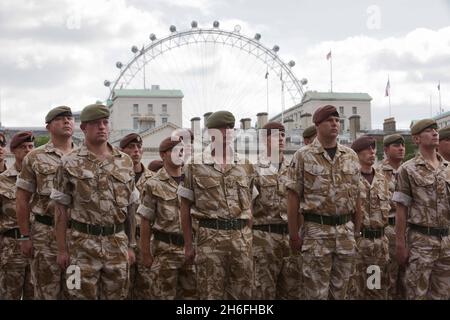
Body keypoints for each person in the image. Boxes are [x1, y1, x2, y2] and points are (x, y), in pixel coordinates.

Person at [51, 104, 138, 300]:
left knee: (118, 296)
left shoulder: (124, 161)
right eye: (96, 123)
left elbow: (131, 208)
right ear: (83, 128)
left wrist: (131, 245)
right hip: (81, 246)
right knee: (77, 295)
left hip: (117, 243)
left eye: (105, 122)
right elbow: (60, 209)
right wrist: (62, 249)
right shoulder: (68, 162)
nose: (102, 127)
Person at [178, 110, 255, 299]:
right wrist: (188, 244)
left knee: (242, 294)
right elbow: (185, 207)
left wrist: (247, 234)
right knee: (209, 293)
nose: (228, 132)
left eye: (231, 128)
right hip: (210, 241)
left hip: (241, 240)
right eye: (222, 128)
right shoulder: (194, 165)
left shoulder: (245, 165)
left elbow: (250, 204)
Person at [287, 105, 361, 300]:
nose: (335, 124)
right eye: (330, 120)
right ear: (317, 125)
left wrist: (357, 230)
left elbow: (357, 196)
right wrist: (294, 234)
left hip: (345, 232)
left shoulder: (351, 156)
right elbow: (293, 197)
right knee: (315, 293)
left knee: (341, 292)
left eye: (337, 120)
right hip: (316, 233)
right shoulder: (302, 156)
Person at [16, 106, 75, 299]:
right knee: (46, 292)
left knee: (76, 289)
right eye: (60, 119)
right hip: (44, 236)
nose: (67, 121)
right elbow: (22, 198)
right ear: (48, 126)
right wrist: (25, 236)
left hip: (78, 237)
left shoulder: (85, 157)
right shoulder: (35, 157)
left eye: (69, 118)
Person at [393, 119, 450, 300]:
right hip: (420, 241)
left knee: (443, 293)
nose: (435, 133)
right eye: (428, 131)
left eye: (435, 130)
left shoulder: (448, 168)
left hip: (446, 241)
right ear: (416, 139)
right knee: (416, 293)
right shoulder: (407, 170)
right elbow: (401, 209)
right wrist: (400, 244)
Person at [138, 136, 196, 299]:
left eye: (182, 150)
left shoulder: (192, 180)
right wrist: (146, 254)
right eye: (175, 150)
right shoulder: (153, 184)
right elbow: (145, 221)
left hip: (191, 250)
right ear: (163, 155)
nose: (180, 154)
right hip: (165, 252)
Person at [252, 121, 303, 299]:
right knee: (263, 293)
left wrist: (298, 234)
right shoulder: (254, 170)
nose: (281, 139)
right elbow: (247, 209)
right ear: (264, 140)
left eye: (282, 135)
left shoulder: (294, 169)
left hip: (291, 239)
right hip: (263, 240)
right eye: (275, 135)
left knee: (292, 291)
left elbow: (301, 207)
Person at [347, 136, 390, 300]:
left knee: (375, 290)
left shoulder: (382, 180)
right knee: (354, 291)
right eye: (367, 149)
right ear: (356, 154)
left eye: (373, 148)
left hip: (378, 246)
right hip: (358, 243)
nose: (372, 152)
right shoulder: (350, 179)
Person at [0, 132, 35, 299]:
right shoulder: (2, 181)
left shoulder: (42, 179)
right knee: (9, 295)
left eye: (31, 147)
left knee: (36, 294)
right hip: (11, 249)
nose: (28, 150)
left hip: (39, 247)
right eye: (23, 147)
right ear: (13, 151)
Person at [119, 133, 154, 299]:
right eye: (131, 147)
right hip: (121, 238)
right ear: (122, 151)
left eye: (139, 147)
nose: (136, 151)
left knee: (146, 288)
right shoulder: (117, 177)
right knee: (122, 287)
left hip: (146, 239)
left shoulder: (153, 179)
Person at [376, 133, 406, 299]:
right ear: (386, 150)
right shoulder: (378, 173)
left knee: (408, 278)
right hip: (388, 230)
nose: (401, 148)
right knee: (388, 277)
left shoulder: (409, 169)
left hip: (409, 229)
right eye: (396, 146)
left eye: (402, 145)